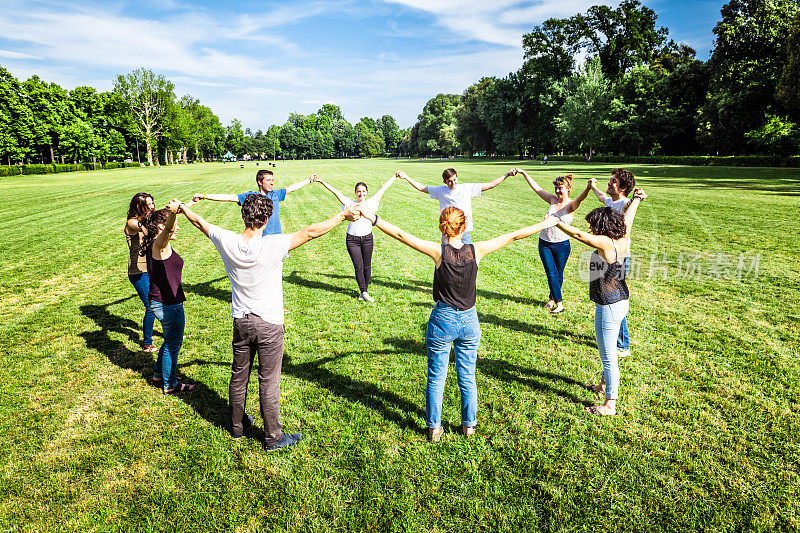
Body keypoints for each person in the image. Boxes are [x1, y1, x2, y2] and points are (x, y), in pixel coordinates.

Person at [177, 194, 361, 450]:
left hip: (241, 321)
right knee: (269, 381)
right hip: (269, 324)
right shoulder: (273, 244)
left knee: (239, 375)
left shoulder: (226, 240)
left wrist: (182, 208)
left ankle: (237, 426)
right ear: (266, 219)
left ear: (243, 216)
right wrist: (343, 215)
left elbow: (200, 223)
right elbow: (310, 232)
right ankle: (274, 437)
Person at [361, 206, 558, 441]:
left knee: (436, 377)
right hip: (469, 320)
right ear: (463, 228)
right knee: (467, 376)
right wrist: (545, 224)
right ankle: (469, 426)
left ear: (443, 228)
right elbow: (513, 235)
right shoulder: (476, 250)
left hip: (442, 319)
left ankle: (434, 428)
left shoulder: (438, 252)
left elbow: (401, 235)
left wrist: (373, 218)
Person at [550, 188, 646, 416]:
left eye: (595, 226)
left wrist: (557, 222)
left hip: (609, 306)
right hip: (621, 300)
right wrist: (637, 201)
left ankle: (610, 404)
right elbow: (628, 217)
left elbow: (580, 236)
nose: (592, 229)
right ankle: (603, 386)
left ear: (603, 227)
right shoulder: (623, 238)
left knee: (608, 357)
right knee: (610, 351)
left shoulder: (605, 243)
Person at [515, 168, 591, 314]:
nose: (557, 190)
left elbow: (581, 198)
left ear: (568, 189)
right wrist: (524, 173)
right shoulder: (552, 200)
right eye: (556, 187)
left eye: (560, 188)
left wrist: (588, 187)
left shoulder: (571, 205)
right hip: (545, 243)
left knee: (558, 273)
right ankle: (559, 303)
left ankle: (551, 299)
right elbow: (537, 188)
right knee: (551, 273)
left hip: (562, 245)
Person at [139, 200, 196, 394]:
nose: (178, 228)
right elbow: (170, 224)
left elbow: (170, 220)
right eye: (174, 225)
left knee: (169, 340)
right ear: (163, 227)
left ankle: (158, 373)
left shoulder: (157, 243)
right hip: (167, 304)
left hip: (164, 302)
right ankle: (169, 383)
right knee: (173, 343)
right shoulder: (159, 245)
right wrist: (173, 214)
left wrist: (186, 205)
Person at [315, 173, 396, 302]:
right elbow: (335, 191)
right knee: (358, 266)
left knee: (367, 266)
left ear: (367, 192)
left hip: (367, 239)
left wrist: (394, 176)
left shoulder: (372, 202)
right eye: (358, 191)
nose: (361, 193)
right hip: (352, 240)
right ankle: (363, 292)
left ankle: (364, 291)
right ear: (355, 192)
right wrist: (321, 181)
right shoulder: (349, 203)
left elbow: (383, 188)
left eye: (363, 191)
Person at [589, 168, 637, 357]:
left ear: (623, 187)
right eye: (610, 180)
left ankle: (623, 344)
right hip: (605, 256)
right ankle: (616, 337)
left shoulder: (625, 203)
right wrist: (593, 187)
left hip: (619, 259)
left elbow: (629, 212)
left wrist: (637, 199)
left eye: (614, 181)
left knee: (614, 298)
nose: (609, 183)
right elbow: (602, 197)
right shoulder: (612, 201)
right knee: (608, 298)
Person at [397, 168, 514, 244]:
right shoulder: (440, 190)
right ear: (444, 182)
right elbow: (421, 188)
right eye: (449, 181)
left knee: (467, 259)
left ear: (457, 177)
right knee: (446, 260)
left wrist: (507, 174)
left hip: (464, 231)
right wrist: (406, 177)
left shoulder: (467, 188)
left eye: (454, 179)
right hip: (447, 233)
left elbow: (491, 185)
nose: (453, 183)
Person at [192, 169, 314, 235]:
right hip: (259, 236)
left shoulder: (276, 194)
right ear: (260, 182)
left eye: (272, 180)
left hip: (277, 235)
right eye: (268, 180)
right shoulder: (251, 197)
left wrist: (309, 180)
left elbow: (292, 187)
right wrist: (204, 196)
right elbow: (229, 197)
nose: (272, 183)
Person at [125, 192, 156, 352]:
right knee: (151, 306)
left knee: (164, 302)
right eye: (148, 204)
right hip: (138, 272)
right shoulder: (132, 223)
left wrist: (188, 205)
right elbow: (146, 231)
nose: (151, 206)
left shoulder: (148, 218)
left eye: (152, 203)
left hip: (151, 268)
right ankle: (147, 344)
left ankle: (171, 333)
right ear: (139, 206)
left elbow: (166, 213)